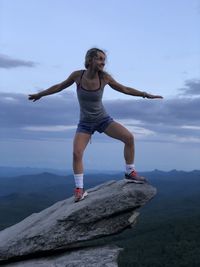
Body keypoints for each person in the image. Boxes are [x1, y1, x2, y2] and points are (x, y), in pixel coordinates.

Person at [29, 48, 163, 202]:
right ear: (90, 59)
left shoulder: (104, 78)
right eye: (99, 58)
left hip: (103, 119)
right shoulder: (77, 76)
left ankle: (130, 172)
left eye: (104, 59)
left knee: (129, 138)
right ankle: (79, 189)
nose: (103, 62)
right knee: (76, 153)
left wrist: (146, 95)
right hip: (85, 124)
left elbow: (125, 89)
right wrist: (40, 94)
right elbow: (59, 86)